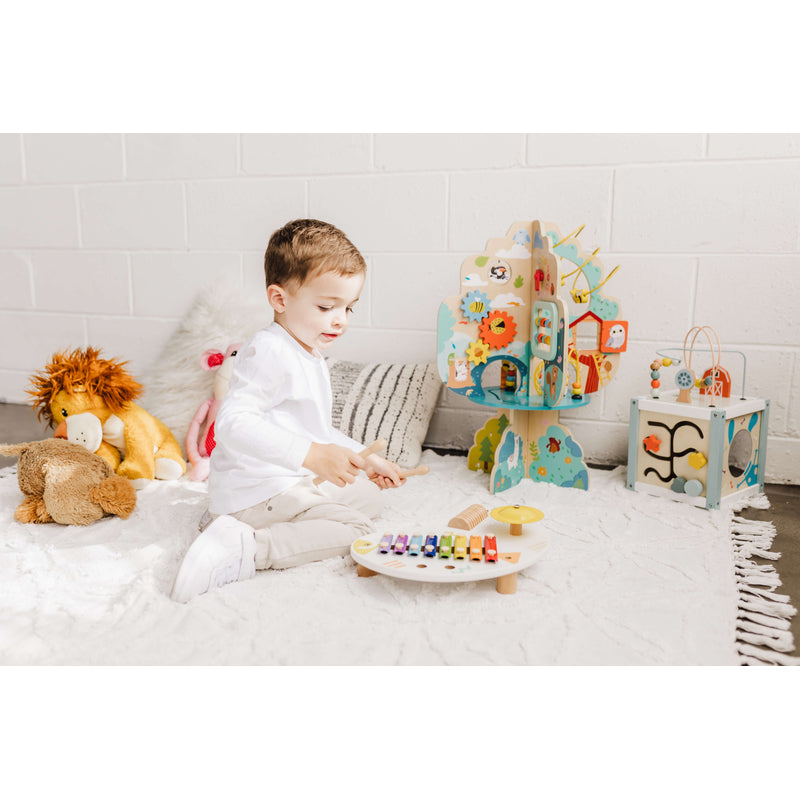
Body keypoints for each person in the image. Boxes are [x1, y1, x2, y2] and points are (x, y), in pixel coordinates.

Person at [171, 219, 405, 603]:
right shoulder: (270, 351)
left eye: (349, 307)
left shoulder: (306, 349)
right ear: (280, 300)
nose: (340, 319)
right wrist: (312, 455)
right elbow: (233, 424)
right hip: (257, 493)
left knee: (369, 497)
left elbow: (313, 428)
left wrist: (364, 460)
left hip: (284, 479)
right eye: (327, 306)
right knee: (357, 529)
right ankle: (249, 546)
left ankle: (236, 523)